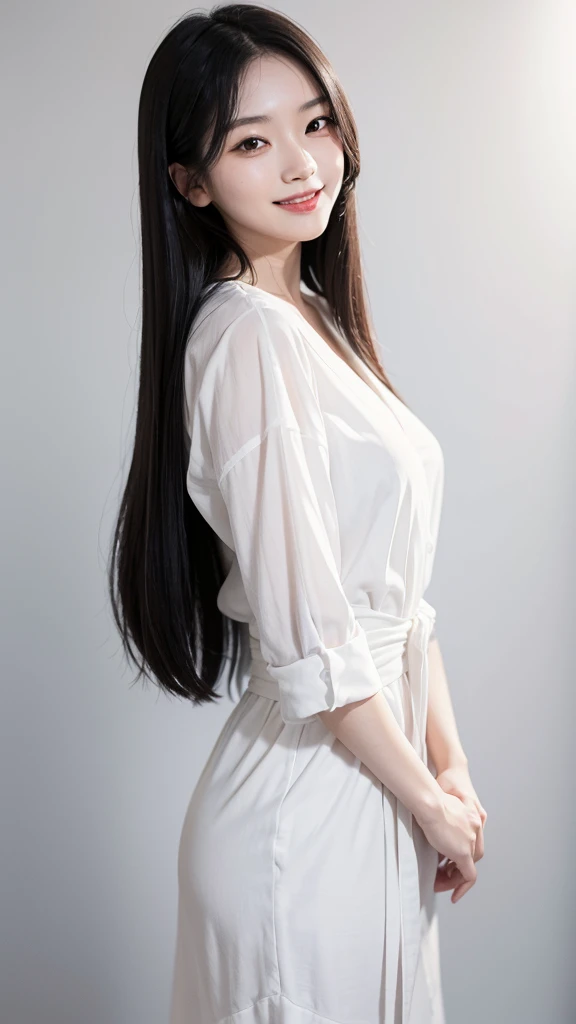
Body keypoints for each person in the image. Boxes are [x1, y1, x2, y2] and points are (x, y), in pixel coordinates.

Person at [108, 5, 487, 1022]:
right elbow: (316, 638)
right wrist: (428, 799)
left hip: (375, 779)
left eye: (314, 122)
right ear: (190, 183)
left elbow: (403, 604)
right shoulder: (244, 340)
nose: (299, 161)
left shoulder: (313, 322)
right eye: (250, 141)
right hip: (307, 811)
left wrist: (451, 774)